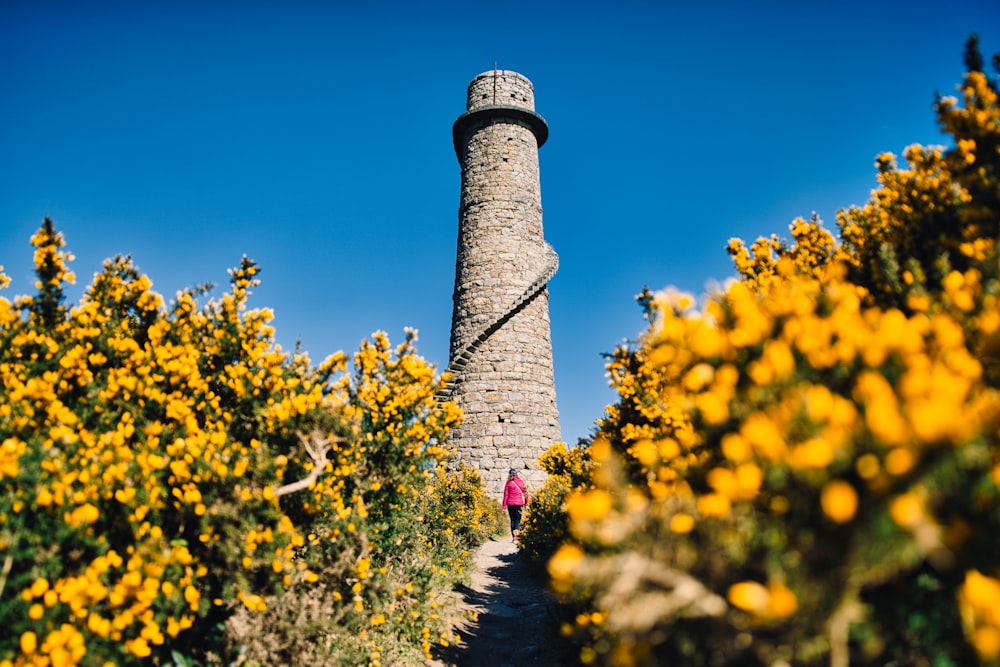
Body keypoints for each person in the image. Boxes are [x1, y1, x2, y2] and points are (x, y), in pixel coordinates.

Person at [502, 468, 529, 543]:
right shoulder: (521, 482)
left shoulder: (508, 483)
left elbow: (506, 495)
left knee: (512, 520)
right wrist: (526, 502)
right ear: (516, 474)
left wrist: (504, 505)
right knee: (518, 520)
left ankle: (514, 537)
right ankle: (516, 537)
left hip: (510, 504)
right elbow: (525, 493)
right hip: (519, 504)